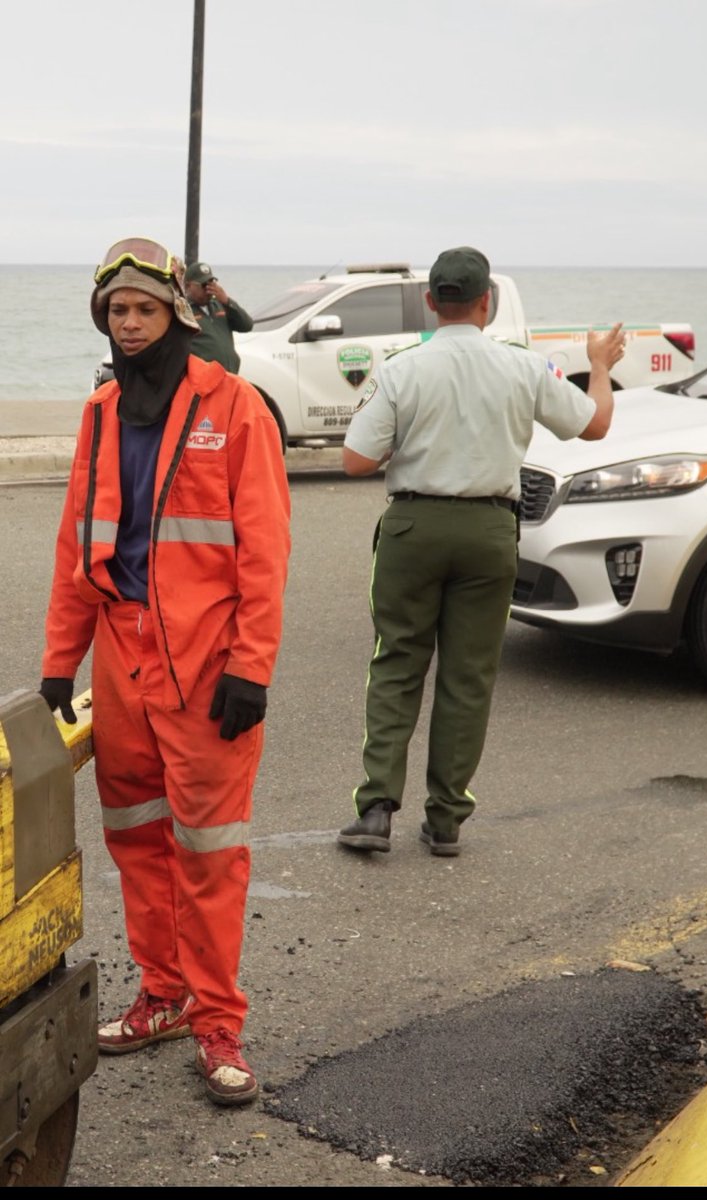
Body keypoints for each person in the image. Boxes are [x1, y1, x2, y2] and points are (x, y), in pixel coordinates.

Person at [39, 236, 291, 1107]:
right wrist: (54, 668)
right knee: (138, 837)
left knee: (210, 849)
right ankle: (165, 993)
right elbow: (79, 546)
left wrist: (250, 668)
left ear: (177, 313)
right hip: (120, 658)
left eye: (146, 309)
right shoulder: (101, 412)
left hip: (205, 663)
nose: (132, 324)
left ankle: (220, 1021)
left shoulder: (237, 407)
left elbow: (264, 554)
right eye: (118, 312)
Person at [336, 246, 625, 858]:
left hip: (414, 525)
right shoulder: (522, 369)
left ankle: (376, 810)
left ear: (430, 302)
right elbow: (594, 425)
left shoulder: (402, 368)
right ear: (487, 303)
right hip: (491, 529)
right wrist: (598, 366)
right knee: (468, 677)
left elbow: (357, 459)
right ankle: (445, 820)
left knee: (397, 662)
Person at [183, 260, 254, 373]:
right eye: (204, 285)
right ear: (188, 286)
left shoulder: (220, 305)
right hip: (204, 379)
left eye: (211, 283)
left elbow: (247, 325)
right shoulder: (183, 311)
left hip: (230, 375)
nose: (209, 289)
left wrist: (227, 301)